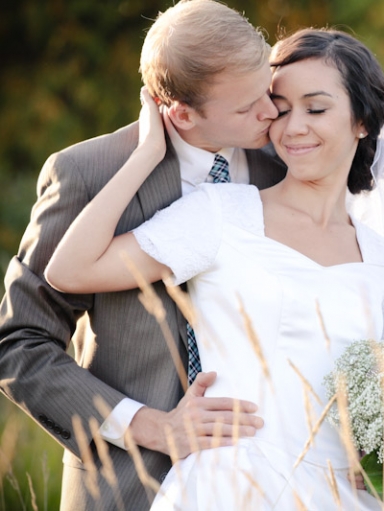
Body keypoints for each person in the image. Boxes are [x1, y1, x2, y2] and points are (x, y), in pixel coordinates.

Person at [46, 28, 384, 510]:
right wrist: (148, 151)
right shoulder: (222, 213)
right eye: (281, 106)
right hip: (231, 486)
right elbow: (70, 270)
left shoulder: (380, 256)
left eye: (316, 109)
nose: (292, 127)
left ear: (362, 121)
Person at [0, 1, 286, 509]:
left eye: (267, 89)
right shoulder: (86, 172)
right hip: (128, 488)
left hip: (267, 480)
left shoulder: (284, 168)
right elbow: (19, 344)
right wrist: (149, 426)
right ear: (180, 112)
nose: (271, 111)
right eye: (245, 107)